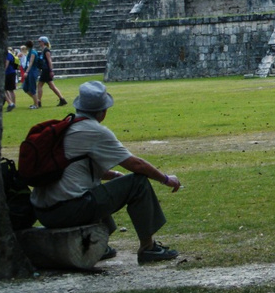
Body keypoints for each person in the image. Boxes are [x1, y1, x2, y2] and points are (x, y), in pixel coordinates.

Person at [30, 81, 181, 264]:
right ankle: (148, 247)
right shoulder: (95, 131)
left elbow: (81, 169)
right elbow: (136, 165)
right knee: (138, 183)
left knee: (97, 188)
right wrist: (166, 179)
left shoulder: (67, 126)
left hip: (44, 211)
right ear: (104, 111)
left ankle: (98, 246)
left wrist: (116, 177)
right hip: (66, 210)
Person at [36, 36, 68, 107]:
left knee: (40, 85)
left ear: (43, 42)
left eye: (40, 41)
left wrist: (51, 70)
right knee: (51, 86)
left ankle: (38, 101)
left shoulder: (46, 50)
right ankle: (62, 99)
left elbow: (49, 60)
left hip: (46, 70)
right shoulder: (44, 50)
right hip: (45, 69)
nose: (39, 43)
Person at [21, 40, 41, 109]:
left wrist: (26, 72)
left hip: (32, 71)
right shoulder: (30, 52)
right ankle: (36, 100)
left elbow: (31, 63)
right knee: (25, 87)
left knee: (32, 88)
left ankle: (36, 104)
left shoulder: (33, 52)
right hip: (30, 71)